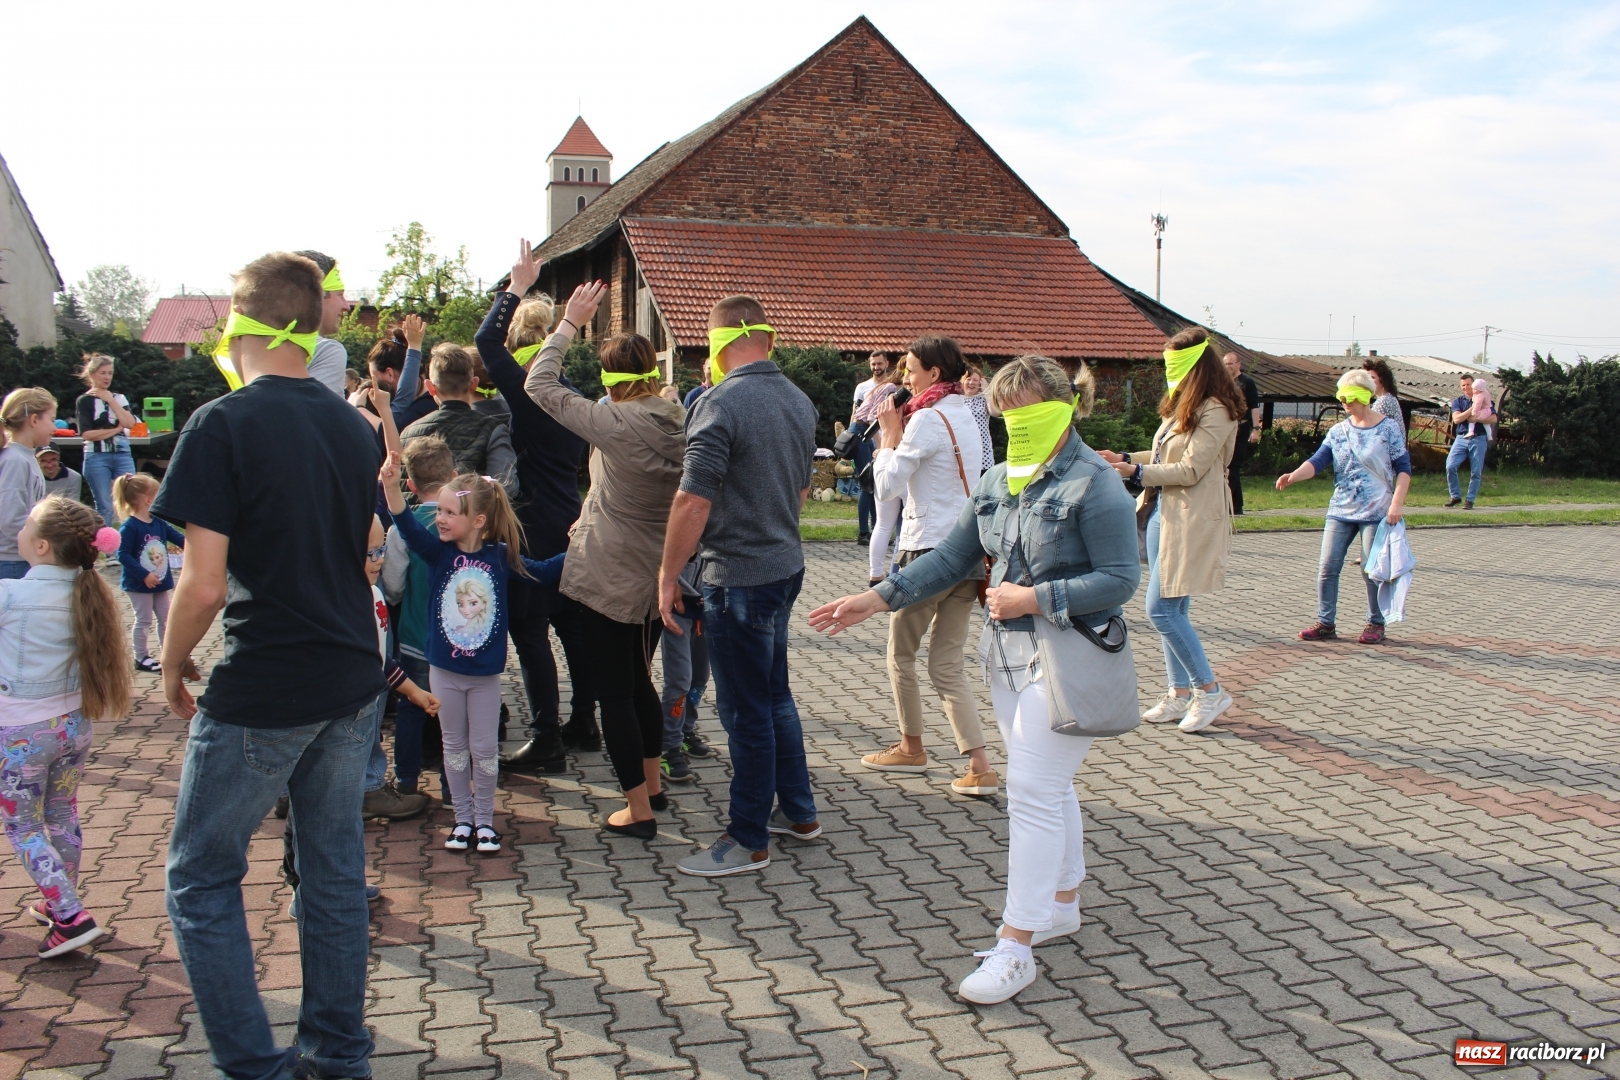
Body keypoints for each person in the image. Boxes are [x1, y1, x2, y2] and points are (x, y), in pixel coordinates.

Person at [807, 355, 1140, 1006]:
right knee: (1046, 782)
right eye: (1005, 417)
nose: (1016, 427)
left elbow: (1122, 578)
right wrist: (876, 598)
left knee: (1031, 790)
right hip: (1009, 658)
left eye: (1029, 415)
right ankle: (1062, 902)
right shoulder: (997, 481)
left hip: (1069, 655)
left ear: (1063, 410)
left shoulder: (1095, 484)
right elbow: (954, 557)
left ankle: (1017, 947)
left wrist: (1036, 597)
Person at [157, 251, 387, 1080]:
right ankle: (339, 1056)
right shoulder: (349, 425)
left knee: (200, 879)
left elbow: (203, 582)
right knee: (332, 878)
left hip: (266, 683)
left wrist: (173, 662)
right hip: (352, 676)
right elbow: (363, 547)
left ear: (240, 323)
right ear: (306, 321)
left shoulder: (220, 425)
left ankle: (255, 1067)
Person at [519, 263, 687, 840]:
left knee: (615, 691)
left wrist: (567, 324)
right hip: (654, 573)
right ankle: (654, 787)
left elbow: (538, 385)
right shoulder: (677, 419)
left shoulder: (613, 421)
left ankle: (636, 812)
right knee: (640, 680)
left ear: (609, 373)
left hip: (607, 574)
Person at [659, 294, 819, 878]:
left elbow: (692, 499)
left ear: (721, 343)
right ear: (767, 340)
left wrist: (667, 574)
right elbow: (801, 490)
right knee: (774, 696)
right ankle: (798, 812)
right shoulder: (799, 400)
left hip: (738, 578)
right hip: (783, 567)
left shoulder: (721, 403)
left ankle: (748, 838)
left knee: (746, 711)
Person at [381, 459, 562, 853]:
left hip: (484, 676)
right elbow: (408, 526)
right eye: (440, 511)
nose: (440, 519)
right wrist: (393, 489)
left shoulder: (501, 556)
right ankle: (461, 820)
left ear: (479, 520)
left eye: (449, 512)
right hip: (444, 672)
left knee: (483, 750)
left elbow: (545, 573)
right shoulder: (437, 553)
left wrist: (584, 545)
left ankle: (484, 821)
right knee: (454, 746)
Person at [474, 253, 596, 774]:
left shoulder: (530, 398)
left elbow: (485, 344)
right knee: (574, 629)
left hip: (531, 528)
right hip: (573, 522)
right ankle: (585, 720)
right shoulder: (578, 402)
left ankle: (547, 736)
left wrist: (516, 288)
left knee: (530, 632)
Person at [862, 335, 994, 796]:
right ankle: (980, 765)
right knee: (947, 665)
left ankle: (911, 747)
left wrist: (888, 442)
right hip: (967, 553)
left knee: (900, 654)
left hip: (926, 551)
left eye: (911, 371)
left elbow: (886, 489)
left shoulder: (923, 421)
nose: (904, 380)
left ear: (934, 374)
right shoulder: (966, 414)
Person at [0, 496, 130, 958]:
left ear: (39, 545)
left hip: (19, 735)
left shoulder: (10, 595)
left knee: (23, 827)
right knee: (61, 813)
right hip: (72, 728)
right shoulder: (88, 593)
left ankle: (71, 915)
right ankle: (60, 900)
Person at [1100, 327, 1245, 734]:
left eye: (1175, 364)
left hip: (1194, 516)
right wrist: (1127, 456)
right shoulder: (1182, 404)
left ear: (1197, 365)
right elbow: (1167, 454)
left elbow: (1192, 468)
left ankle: (1209, 690)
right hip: (1163, 510)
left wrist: (1136, 471)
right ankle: (1178, 694)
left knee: (1160, 610)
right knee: (1174, 609)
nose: (1169, 372)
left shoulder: (1216, 408)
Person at [1279, 369, 1411, 645]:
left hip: (1376, 510)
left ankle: (1376, 622)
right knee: (1327, 566)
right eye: (1341, 397)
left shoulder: (1388, 429)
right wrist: (1293, 476)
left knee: (1370, 569)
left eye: (1349, 396)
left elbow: (1404, 469)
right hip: (1341, 509)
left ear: (1365, 396)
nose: (1344, 402)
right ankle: (1325, 622)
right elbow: (1318, 461)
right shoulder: (1338, 431)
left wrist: (1396, 504)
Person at [381, 436, 458, 799]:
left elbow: (393, 588)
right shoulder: (466, 524)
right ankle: (451, 785)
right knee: (453, 716)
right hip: (459, 639)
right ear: (454, 475)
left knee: (412, 708)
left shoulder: (402, 530)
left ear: (410, 485)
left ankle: (407, 780)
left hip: (415, 636)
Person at [400, 344, 518, 497]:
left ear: (430, 387)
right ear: (473, 384)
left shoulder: (408, 434)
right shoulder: (493, 430)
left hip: (417, 520)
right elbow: (506, 487)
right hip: (473, 519)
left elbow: (400, 490)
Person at [112, 473, 184, 674]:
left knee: (166, 618)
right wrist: (143, 574)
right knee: (143, 620)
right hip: (139, 585)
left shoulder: (158, 522)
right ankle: (141, 657)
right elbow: (122, 554)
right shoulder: (130, 526)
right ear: (148, 499)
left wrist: (200, 546)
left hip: (160, 582)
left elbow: (179, 538)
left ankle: (168, 656)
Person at [657, 554, 715, 784]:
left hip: (710, 601)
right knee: (680, 680)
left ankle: (685, 732)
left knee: (700, 677)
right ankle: (667, 747)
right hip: (677, 602)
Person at [853, 361, 905, 585]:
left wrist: (881, 447)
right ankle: (896, 574)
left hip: (885, 455)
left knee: (883, 523)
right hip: (901, 458)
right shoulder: (902, 396)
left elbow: (865, 419)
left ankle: (875, 574)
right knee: (904, 522)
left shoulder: (882, 390)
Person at [74, 354, 140, 526]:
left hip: (122, 454)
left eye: (110, 373)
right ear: (92, 375)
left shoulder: (119, 398)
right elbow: (87, 434)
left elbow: (129, 422)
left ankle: (131, 541)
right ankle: (107, 547)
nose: (107, 377)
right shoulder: (84, 401)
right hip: (97, 456)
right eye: (103, 373)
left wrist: (110, 400)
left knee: (131, 498)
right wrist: (116, 429)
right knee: (104, 505)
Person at [0, 388, 56, 580]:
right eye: (51, 420)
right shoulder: (15, 461)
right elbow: (10, 519)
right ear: (33, 420)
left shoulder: (24, 457)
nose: (54, 428)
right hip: (12, 562)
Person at [293, 250, 355, 397]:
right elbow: (324, 418)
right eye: (340, 295)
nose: (346, 306)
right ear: (316, 296)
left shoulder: (251, 345)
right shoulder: (327, 350)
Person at [853, 351, 895, 543]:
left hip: (876, 434)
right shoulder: (862, 387)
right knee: (867, 483)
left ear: (887, 363)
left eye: (879, 364)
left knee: (876, 484)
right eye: (873, 364)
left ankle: (877, 529)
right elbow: (857, 415)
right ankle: (864, 532)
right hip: (863, 434)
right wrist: (882, 447)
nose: (876, 367)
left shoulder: (890, 386)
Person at [369, 322, 437, 431]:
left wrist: (359, 408)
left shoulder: (417, 412)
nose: (373, 385)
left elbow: (386, 434)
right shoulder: (434, 399)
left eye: (374, 377)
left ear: (390, 374)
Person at [1222, 352, 1262, 515]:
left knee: (1234, 466)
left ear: (1239, 365)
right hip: (1226, 428)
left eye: (1230, 363)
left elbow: (1254, 407)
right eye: (1225, 363)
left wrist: (1256, 429)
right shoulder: (1223, 383)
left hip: (1242, 427)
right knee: (1226, 466)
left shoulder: (1247, 383)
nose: (1227, 366)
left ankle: (1235, 506)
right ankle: (1230, 504)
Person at [1445, 373, 1490, 509]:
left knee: (1476, 471)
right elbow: (1457, 419)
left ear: (1474, 384)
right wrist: (1472, 409)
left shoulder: (1485, 397)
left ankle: (1469, 500)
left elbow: (1493, 419)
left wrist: (1477, 419)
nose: (1466, 388)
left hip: (1479, 437)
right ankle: (1455, 496)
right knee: (1450, 466)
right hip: (1462, 437)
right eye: (1463, 385)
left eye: (1468, 384)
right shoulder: (1458, 401)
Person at [962, 363, 996, 474]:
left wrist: (986, 390)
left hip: (983, 453)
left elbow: (995, 412)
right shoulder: (957, 400)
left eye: (975, 380)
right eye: (968, 379)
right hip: (962, 450)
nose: (971, 382)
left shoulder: (984, 399)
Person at [1362, 358, 1404, 431]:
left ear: (1383, 380)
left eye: (1372, 377)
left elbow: (1372, 429)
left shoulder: (1383, 401)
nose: (1368, 381)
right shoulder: (1391, 398)